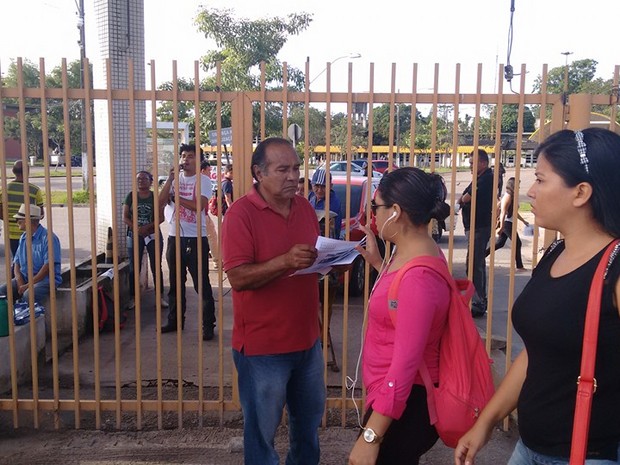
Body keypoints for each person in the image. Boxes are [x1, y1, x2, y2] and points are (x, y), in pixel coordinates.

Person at [455, 128, 620, 465]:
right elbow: (536, 353)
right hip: (529, 449)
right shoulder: (555, 251)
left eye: (541, 180)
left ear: (581, 193)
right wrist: (485, 422)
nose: (530, 191)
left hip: (587, 455)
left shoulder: (614, 270)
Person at [222, 137, 325, 465]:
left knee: (307, 431)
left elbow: (307, 262)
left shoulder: (305, 207)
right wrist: (285, 261)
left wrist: (328, 262)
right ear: (259, 173)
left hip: (307, 343)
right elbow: (237, 278)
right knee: (262, 438)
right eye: (282, 169)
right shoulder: (241, 215)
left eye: (296, 168)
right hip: (263, 350)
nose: (293, 176)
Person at [348, 167, 452, 465]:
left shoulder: (417, 277)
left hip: (402, 406)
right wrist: (379, 264)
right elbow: (405, 304)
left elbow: (405, 364)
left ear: (395, 211)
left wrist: (372, 436)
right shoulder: (414, 253)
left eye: (376, 207)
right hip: (397, 401)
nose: (373, 216)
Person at [159, 143, 216, 341]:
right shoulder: (175, 180)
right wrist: (169, 180)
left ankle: (208, 324)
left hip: (196, 239)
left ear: (199, 160)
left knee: (202, 285)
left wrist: (177, 198)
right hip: (175, 238)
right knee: (175, 284)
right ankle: (175, 320)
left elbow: (198, 206)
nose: (186, 159)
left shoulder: (204, 181)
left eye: (191, 156)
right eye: (183, 155)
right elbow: (160, 203)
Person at [457, 149, 494, 317]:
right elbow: (465, 195)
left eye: (473, 163)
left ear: (483, 163)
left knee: (474, 264)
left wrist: (463, 199)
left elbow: (467, 197)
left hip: (479, 227)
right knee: (474, 263)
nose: (470, 166)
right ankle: (478, 300)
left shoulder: (487, 178)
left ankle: (478, 302)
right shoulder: (478, 178)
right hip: (473, 227)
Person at [122, 171, 167, 309]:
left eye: (144, 178)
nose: (141, 181)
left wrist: (147, 227)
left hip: (152, 234)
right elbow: (125, 217)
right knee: (133, 267)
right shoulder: (131, 196)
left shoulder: (155, 197)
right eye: (138, 179)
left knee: (156, 266)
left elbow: (161, 218)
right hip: (134, 235)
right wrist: (138, 229)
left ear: (151, 181)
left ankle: (159, 297)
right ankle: (134, 298)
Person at [0, 204, 61, 305]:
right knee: (2, 292)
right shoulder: (23, 237)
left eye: (20, 219)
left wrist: (28, 285)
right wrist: (20, 281)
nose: (16, 221)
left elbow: (47, 267)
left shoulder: (48, 238)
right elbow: (16, 263)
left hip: (45, 280)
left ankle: (31, 319)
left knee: (28, 295)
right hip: (25, 278)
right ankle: (9, 317)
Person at [0, 160, 44, 257]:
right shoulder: (35, 190)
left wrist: (10, 220)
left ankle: (14, 272)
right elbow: (41, 214)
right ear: (27, 171)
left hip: (11, 232)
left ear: (13, 171)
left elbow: (1, 213)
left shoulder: (4, 189)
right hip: (29, 232)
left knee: (16, 259)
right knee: (29, 261)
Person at [485, 177, 529, 270]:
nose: (519, 187)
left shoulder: (511, 196)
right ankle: (519, 266)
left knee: (500, 243)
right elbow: (503, 212)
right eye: (518, 185)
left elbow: (513, 212)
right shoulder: (508, 196)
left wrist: (523, 221)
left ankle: (482, 256)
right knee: (517, 243)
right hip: (507, 223)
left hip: (508, 222)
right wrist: (501, 226)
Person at [308, 168, 342, 239]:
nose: (319, 190)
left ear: (331, 186)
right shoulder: (311, 196)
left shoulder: (333, 202)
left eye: (324, 186)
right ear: (312, 185)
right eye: (316, 186)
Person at [200, 160, 220, 269]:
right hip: (203, 214)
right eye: (208, 170)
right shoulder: (204, 180)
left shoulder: (192, 179)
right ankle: (217, 260)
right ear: (203, 170)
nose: (209, 172)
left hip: (194, 215)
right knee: (212, 236)